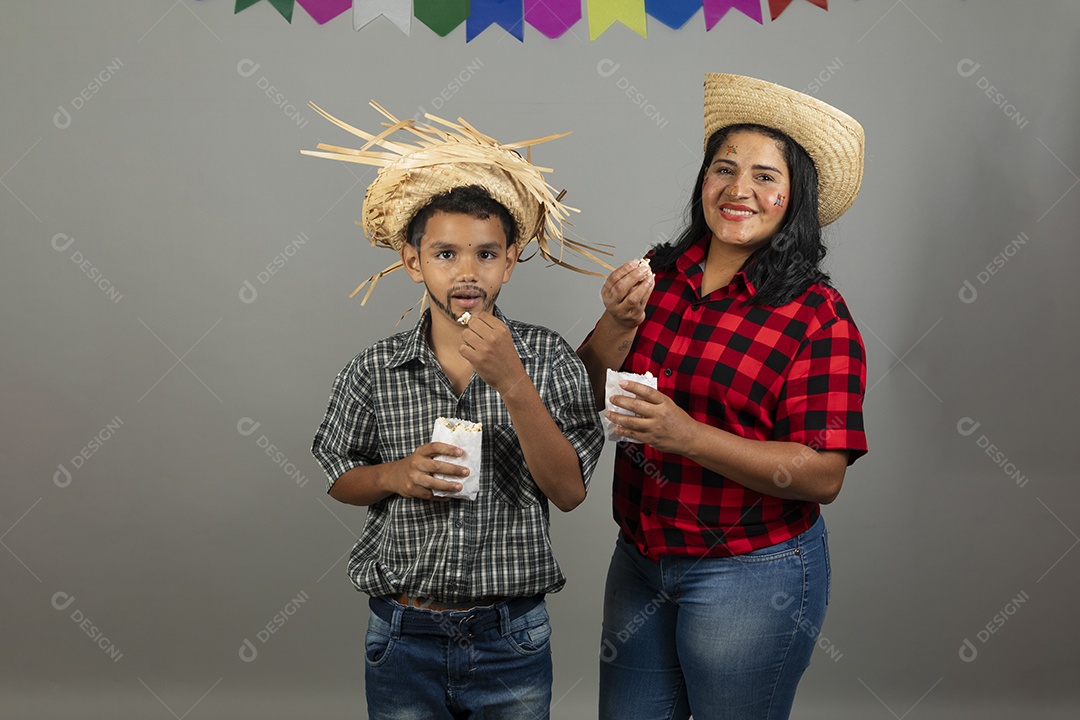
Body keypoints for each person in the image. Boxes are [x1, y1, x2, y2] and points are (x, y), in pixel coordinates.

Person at [577, 73, 869, 720]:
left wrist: (687, 437)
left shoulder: (816, 315)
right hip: (641, 558)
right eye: (724, 169)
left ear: (795, 199)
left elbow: (822, 475)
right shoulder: (661, 274)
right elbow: (582, 395)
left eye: (766, 177)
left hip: (751, 571)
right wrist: (617, 327)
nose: (739, 190)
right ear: (702, 180)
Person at [304, 103, 606, 720]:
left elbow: (570, 492)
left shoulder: (546, 357)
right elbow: (340, 474)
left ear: (512, 257)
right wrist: (394, 475)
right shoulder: (375, 369)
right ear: (413, 261)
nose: (467, 272)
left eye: (486, 254)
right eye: (445, 254)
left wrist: (513, 383)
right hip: (403, 634)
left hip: (511, 637)